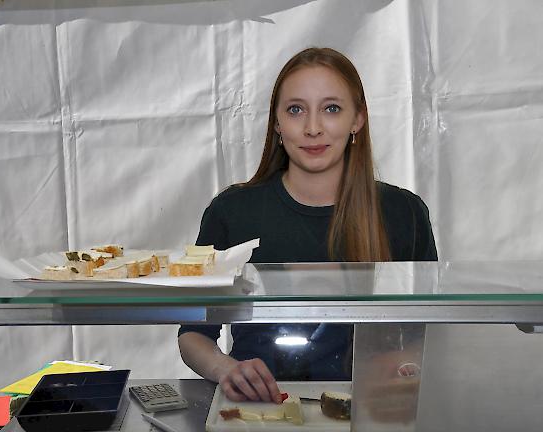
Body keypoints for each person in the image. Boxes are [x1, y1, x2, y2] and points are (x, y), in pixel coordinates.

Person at [177, 47, 437, 404]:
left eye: (331, 109)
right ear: (277, 123)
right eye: (296, 109)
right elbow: (193, 332)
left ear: (357, 119)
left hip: (372, 408)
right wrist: (226, 369)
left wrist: (402, 368)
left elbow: (428, 330)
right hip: (259, 412)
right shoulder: (232, 211)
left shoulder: (403, 213)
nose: (313, 128)